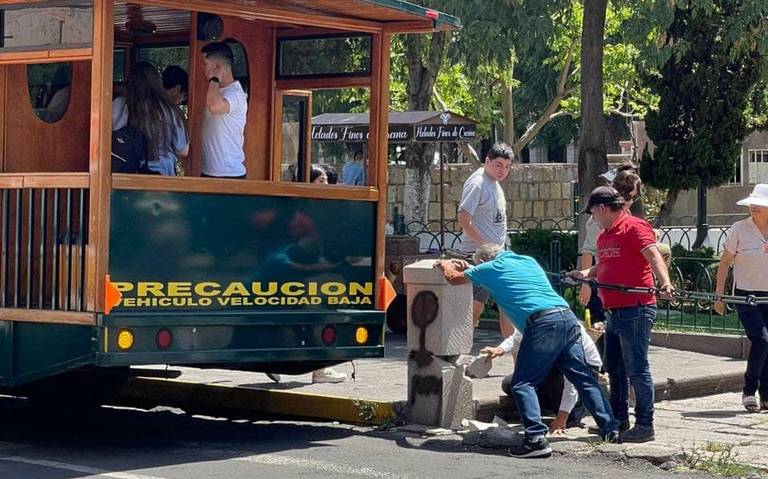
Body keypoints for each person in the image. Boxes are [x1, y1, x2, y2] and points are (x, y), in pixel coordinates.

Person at [436, 244, 619, 458]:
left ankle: (535, 439)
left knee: (523, 383)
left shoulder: (489, 269)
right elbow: (495, 274)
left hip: (542, 323)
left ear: (484, 262)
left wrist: (445, 263)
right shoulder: (527, 261)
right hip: (566, 317)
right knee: (583, 379)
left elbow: (453, 278)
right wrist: (470, 267)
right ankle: (610, 429)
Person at [570, 186, 674, 443]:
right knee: (615, 368)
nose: (593, 218)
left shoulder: (634, 227)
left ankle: (645, 425)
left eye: (593, 213)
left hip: (636, 308)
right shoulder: (604, 236)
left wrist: (665, 283)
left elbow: (654, 255)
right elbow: (603, 265)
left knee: (637, 369)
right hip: (613, 311)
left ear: (603, 208)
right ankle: (617, 421)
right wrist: (585, 274)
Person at [483, 322, 604, 434]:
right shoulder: (533, 317)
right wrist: (500, 349)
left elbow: (571, 383)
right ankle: (545, 407)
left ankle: (572, 412)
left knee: (549, 380)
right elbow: (517, 337)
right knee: (511, 383)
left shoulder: (565, 329)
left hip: (585, 369)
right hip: (554, 366)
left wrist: (562, 418)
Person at [714, 184, 768, 412]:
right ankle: (749, 390)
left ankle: (766, 394)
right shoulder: (739, 229)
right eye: (752, 203)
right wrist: (719, 295)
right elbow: (725, 262)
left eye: (760, 204)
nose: (754, 207)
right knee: (762, 340)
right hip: (746, 294)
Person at [457, 142, 513, 328]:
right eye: (499, 165)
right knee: (473, 308)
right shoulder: (478, 183)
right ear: (487, 161)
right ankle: (460, 345)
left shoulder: (495, 184)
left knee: (508, 304)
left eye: (507, 167)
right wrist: (486, 246)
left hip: (497, 257)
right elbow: (463, 218)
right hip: (477, 257)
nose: (503, 171)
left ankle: (513, 346)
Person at [112, 62, 189, 176]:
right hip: (162, 171)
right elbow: (183, 150)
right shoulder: (169, 109)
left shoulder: (120, 104)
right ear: (157, 82)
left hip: (127, 171)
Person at [200, 42, 248, 179]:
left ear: (217, 67)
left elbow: (215, 107)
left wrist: (214, 78)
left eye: (205, 64)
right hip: (211, 172)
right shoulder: (217, 91)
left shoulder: (235, 94)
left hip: (228, 174)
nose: (202, 69)